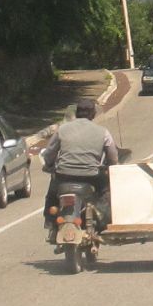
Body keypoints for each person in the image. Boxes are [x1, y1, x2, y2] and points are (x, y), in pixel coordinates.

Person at [39, 98, 119, 241]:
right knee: (106, 192)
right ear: (93, 114)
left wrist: (50, 165)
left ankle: (51, 222)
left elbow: (49, 153)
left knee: (52, 195)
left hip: (64, 175)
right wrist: (111, 167)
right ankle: (102, 218)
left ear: (76, 113)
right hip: (92, 176)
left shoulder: (62, 129)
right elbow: (113, 157)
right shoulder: (103, 132)